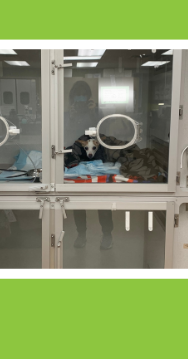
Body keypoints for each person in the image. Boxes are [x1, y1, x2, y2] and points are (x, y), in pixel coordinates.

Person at [65, 81, 114, 250]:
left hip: (98, 158)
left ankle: (107, 234)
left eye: (83, 96)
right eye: (77, 96)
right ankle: (81, 235)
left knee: (102, 199)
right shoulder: (68, 114)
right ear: (72, 98)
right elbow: (65, 135)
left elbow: (104, 133)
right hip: (77, 159)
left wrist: (94, 113)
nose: (80, 99)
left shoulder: (96, 112)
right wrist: (71, 117)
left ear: (88, 98)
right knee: (78, 201)